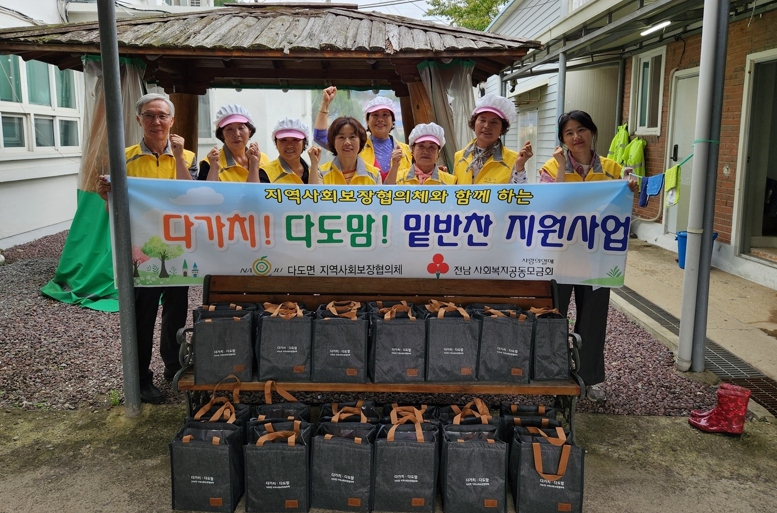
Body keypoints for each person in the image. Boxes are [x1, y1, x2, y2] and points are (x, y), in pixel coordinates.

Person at [97, 93, 196, 404]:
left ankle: (174, 367)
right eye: (150, 115)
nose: (156, 121)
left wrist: (178, 157)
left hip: (178, 250)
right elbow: (113, 210)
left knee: (176, 313)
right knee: (142, 315)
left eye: (162, 115)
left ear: (172, 120)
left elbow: (191, 197)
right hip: (140, 252)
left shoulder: (188, 156)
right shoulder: (122, 157)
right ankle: (139, 379)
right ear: (139, 120)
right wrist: (105, 197)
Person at [539, 109, 640, 403]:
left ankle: (591, 378)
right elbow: (550, 205)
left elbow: (623, 207)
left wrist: (629, 188)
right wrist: (561, 167)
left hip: (598, 258)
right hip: (559, 256)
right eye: (569, 133)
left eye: (581, 130)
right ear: (562, 139)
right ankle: (553, 375)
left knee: (593, 319)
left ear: (592, 131)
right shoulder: (551, 167)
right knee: (553, 316)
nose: (576, 137)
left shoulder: (612, 169)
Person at [314, 86, 411, 182]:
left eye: (385, 115)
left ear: (393, 120)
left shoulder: (408, 151)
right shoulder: (356, 144)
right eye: (375, 115)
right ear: (367, 120)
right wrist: (325, 104)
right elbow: (320, 136)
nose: (380, 119)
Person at [453, 93, 533, 185]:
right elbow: (452, 190)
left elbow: (520, 191)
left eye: (494, 122)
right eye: (482, 120)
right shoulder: (459, 157)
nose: (487, 126)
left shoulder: (514, 159)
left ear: (502, 128)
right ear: (474, 123)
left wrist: (520, 167)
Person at [198, 104, 268, 182]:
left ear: (250, 131)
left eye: (241, 128)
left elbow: (263, 189)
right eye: (229, 129)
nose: (236, 134)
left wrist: (254, 165)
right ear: (222, 134)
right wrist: (214, 168)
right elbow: (207, 190)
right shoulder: (210, 162)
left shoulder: (262, 159)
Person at [316, 116, 381, 185]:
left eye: (352, 137)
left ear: (360, 141)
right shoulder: (321, 173)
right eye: (341, 137)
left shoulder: (375, 175)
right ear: (333, 142)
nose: (347, 142)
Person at [259, 118, 321, 184]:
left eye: (295, 140)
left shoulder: (315, 172)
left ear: (304, 144)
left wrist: (314, 165)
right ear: (276, 143)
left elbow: (315, 190)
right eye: (283, 140)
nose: (289, 145)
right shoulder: (265, 173)